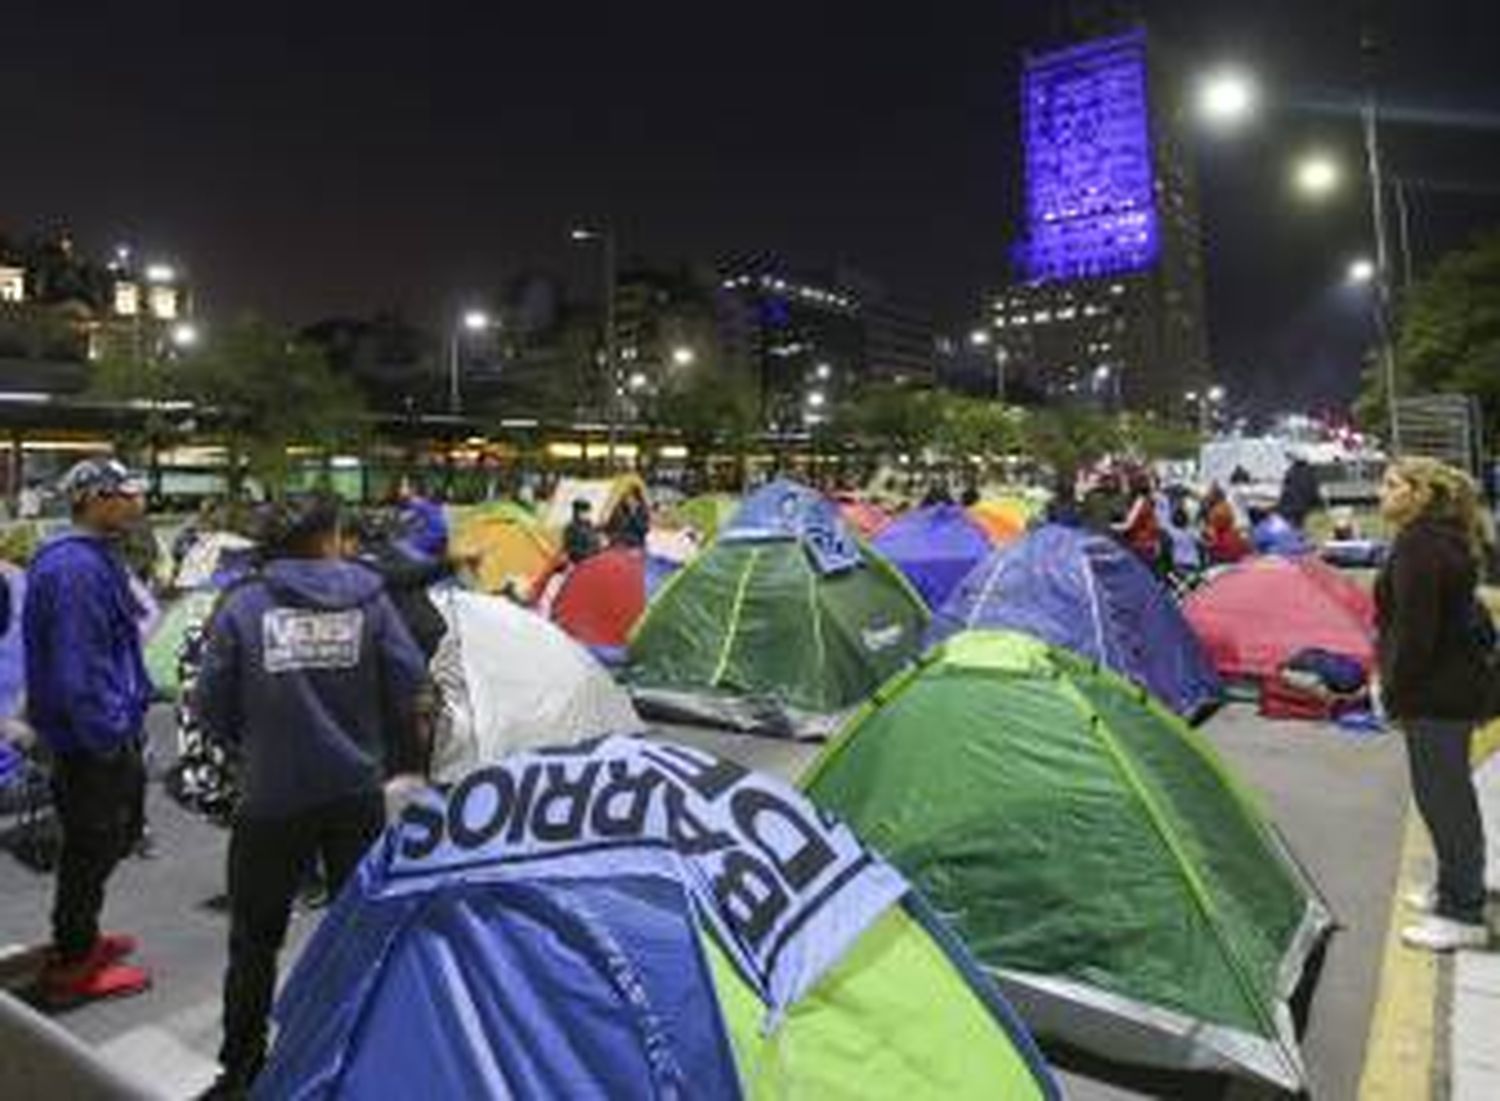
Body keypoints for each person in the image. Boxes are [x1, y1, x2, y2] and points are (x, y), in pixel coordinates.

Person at [194, 494, 428, 1095]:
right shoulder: (371, 600)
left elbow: (210, 705)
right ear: (329, 536)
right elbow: (409, 683)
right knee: (358, 928)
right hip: (354, 792)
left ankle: (242, 1066)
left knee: (254, 940)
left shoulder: (244, 604)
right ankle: (351, 1057)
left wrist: (254, 746)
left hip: (270, 798)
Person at [23, 459, 154, 1007]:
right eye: (124, 493)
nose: (136, 502)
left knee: (104, 840)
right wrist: (108, 739)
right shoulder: (76, 569)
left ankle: (79, 938)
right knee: (93, 843)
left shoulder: (91, 558)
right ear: (92, 500)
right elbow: (82, 668)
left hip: (97, 730)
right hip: (90, 739)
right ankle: (73, 963)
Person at [1375, 457, 1493, 952]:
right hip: (1451, 687)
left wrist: (1391, 691)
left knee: (1444, 800)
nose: (1381, 492)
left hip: (1437, 695)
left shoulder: (1419, 545)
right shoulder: (1439, 538)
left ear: (1417, 494)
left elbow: (1414, 635)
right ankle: (1455, 890)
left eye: (1390, 484)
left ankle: (1462, 912)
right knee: (1446, 796)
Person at [1276, 456, 1324, 530]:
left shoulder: (1291, 472)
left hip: (1293, 507)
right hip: (1303, 507)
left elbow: (1286, 489)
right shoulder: (1311, 473)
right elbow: (1315, 492)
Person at [563, 498, 601, 563]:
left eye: (587, 512)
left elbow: (595, 542)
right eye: (584, 512)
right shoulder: (572, 528)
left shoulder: (590, 526)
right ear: (577, 512)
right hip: (579, 562)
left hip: (593, 561)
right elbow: (571, 549)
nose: (587, 514)